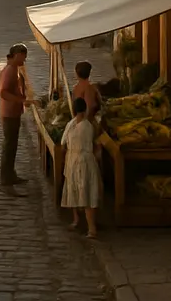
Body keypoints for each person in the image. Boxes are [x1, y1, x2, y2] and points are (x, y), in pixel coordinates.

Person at [61, 97, 102, 238]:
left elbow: (63, 143)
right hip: (85, 160)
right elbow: (95, 143)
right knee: (87, 192)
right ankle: (91, 227)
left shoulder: (71, 124)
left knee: (75, 190)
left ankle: (79, 222)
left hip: (74, 160)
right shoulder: (89, 126)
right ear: (85, 110)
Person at [0, 43, 32, 195]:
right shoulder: (10, 71)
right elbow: (3, 92)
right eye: (23, 56)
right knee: (9, 147)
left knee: (12, 146)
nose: (24, 59)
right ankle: (6, 181)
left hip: (13, 113)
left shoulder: (14, 69)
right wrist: (20, 100)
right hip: (9, 113)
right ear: (17, 55)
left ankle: (11, 175)